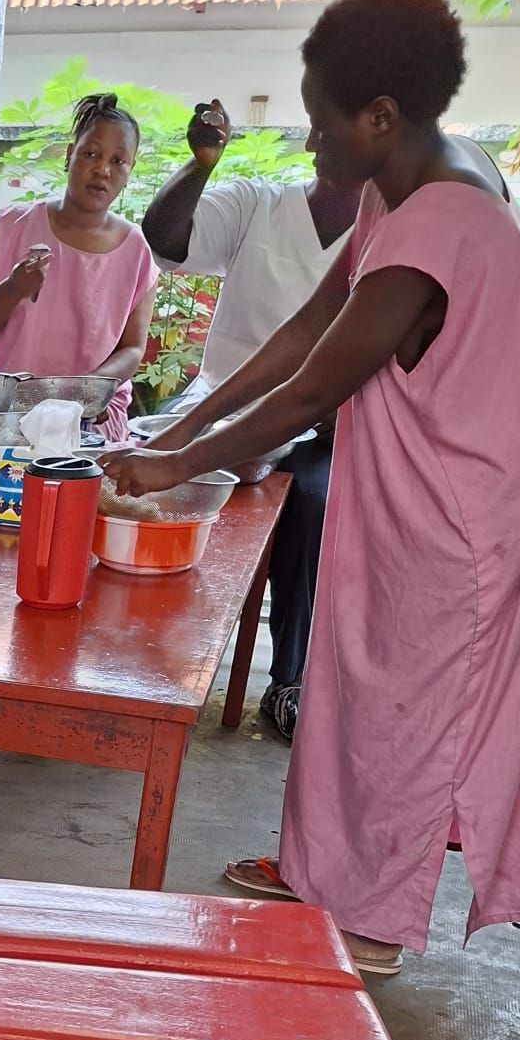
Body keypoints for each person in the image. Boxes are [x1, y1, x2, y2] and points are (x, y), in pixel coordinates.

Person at [101, 0, 520, 978]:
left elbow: (315, 389)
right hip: (413, 497)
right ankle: (323, 875)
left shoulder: (449, 221)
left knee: (402, 712)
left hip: (459, 518)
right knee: (350, 690)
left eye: (320, 121)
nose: (309, 144)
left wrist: (170, 462)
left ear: (381, 117)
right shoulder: (408, 187)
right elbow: (305, 330)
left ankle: (370, 921)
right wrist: (190, 416)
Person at [141, 104, 364, 739]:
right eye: (320, 124)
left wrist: (330, 416)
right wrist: (201, 164)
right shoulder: (256, 203)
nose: (323, 138)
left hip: (322, 425)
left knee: (313, 503)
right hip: (225, 409)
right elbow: (168, 238)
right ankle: (149, 656)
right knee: (149, 480)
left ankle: (287, 680)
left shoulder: (387, 232)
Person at [0, 93, 159, 444]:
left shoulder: (138, 251)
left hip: (91, 430)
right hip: (11, 422)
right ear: (69, 156)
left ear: (130, 172)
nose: (103, 169)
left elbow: (132, 348)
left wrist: (88, 393)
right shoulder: (12, 227)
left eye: (118, 160)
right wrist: (13, 288)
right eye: (91, 154)